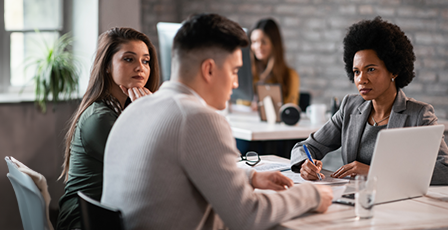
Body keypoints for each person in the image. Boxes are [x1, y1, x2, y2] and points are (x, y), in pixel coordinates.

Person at [101, 13, 332, 230]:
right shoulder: (198, 118)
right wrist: (311, 195)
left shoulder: (135, 108)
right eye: (234, 71)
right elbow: (247, 216)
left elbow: (178, 173)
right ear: (209, 69)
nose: (234, 83)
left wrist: (250, 177)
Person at [289, 17, 448, 185]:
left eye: (370, 70)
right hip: (353, 199)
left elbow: (446, 171)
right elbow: (305, 147)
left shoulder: (418, 115)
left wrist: (375, 172)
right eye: (356, 72)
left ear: (394, 71)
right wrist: (305, 164)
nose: (361, 79)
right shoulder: (350, 107)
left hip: (396, 203)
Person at [56, 27, 160, 230]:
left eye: (145, 61)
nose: (140, 67)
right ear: (107, 66)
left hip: (105, 215)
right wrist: (152, 116)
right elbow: (145, 170)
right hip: (84, 221)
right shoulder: (100, 118)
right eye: (129, 59)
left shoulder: (119, 110)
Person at [250, 18, 300, 106]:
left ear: (274, 44)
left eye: (264, 42)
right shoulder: (249, 73)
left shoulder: (290, 76)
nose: (258, 46)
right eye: (254, 42)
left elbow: (290, 109)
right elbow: (241, 104)